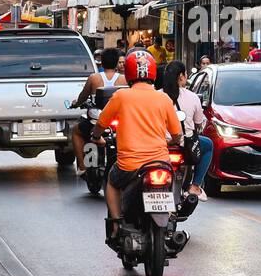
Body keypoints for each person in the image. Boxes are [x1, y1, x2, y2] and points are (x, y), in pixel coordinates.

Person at [97, 50, 182, 242]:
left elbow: (101, 124)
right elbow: (177, 135)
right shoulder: (164, 99)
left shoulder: (121, 96)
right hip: (160, 164)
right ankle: (170, 217)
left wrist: (96, 136)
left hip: (129, 167)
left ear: (128, 73)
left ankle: (117, 222)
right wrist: (170, 141)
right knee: (173, 179)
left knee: (111, 182)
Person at [162, 60, 212, 199]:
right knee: (208, 145)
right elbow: (198, 124)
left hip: (161, 143)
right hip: (185, 144)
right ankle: (195, 186)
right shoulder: (193, 97)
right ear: (182, 76)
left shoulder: (157, 96)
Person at [71, 48, 126, 170]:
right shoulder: (124, 79)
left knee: (76, 131)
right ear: (117, 62)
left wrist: (76, 103)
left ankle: (82, 166)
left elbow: (83, 97)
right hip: (119, 119)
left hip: (98, 120)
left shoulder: (94, 78)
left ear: (102, 61)